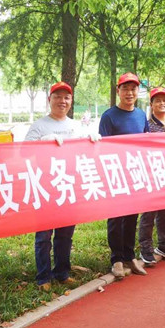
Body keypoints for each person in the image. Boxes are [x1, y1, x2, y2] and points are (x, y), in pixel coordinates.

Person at [24, 81, 101, 291]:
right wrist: (43, 141)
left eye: (66, 97)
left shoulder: (76, 126)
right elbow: (23, 153)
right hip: (45, 187)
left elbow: (87, 155)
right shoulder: (39, 125)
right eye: (57, 97)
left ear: (71, 101)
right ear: (49, 100)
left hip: (68, 185)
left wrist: (92, 142)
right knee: (43, 236)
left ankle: (62, 272)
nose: (62, 101)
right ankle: (43, 277)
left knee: (65, 234)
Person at [99, 72, 149, 279]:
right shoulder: (108, 116)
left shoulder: (141, 115)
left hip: (135, 173)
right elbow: (103, 147)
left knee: (131, 217)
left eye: (133, 89)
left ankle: (129, 256)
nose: (129, 93)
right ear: (118, 91)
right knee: (116, 218)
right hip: (116, 174)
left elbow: (145, 142)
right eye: (125, 89)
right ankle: (116, 259)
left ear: (138, 91)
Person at [139, 87, 165, 265]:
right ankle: (145, 248)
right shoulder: (146, 126)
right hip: (151, 175)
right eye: (158, 100)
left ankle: (164, 245)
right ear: (151, 104)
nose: (162, 103)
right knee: (149, 213)